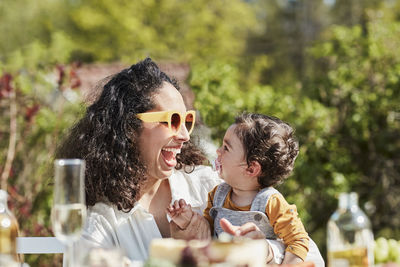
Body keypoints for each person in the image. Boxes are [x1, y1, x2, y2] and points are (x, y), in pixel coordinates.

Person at [55, 58, 308, 264]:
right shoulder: (99, 222)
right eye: (172, 121)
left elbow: (312, 256)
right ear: (129, 128)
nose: (185, 135)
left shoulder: (208, 184)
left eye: (187, 120)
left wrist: (265, 252)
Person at [167, 113, 325, 265]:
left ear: (251, 169)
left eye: (226, 148)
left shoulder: (271, 201)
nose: (218, 151)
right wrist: (188, 220)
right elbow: (208, 234)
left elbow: (298, 240)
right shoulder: (217, 194)